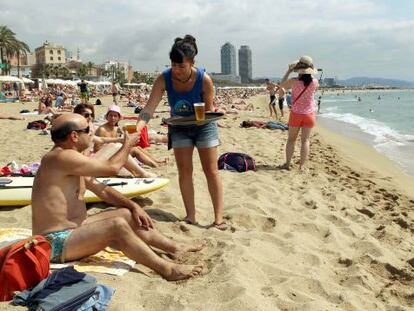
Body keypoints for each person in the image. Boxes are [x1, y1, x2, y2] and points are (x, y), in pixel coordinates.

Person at [31, 113, 204, 281]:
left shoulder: (70, 159)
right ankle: (167, 269)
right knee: (116, 225)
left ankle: (175, 248)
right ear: (74, 136)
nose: (92, 132)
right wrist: (127, 144)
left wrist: (133, 206)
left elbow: (102, 190)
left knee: (126, 214)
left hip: (74, 229)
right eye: (87, 129)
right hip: (53, 244)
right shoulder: (60, 157)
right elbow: (112, 168)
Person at [135, 35, 226, 230]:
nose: (176, 70)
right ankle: (190, 216)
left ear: (192, 63)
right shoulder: (164, 78)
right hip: (178, 126)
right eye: (173, 65)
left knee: (211, 170)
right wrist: (139, 126)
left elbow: (207, 111)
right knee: (185, 172)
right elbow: (150, 106)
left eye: (181, 66)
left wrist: (204, 115)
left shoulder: (205, 80)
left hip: (204, 127)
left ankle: (218, 219)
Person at [73, 104, 156, 178]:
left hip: (88, 161)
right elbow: (97, 147)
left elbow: (100, 139)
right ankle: (141, 173)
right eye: (86, 115)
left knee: (122, 147)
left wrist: (121, 140)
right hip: (84, 167)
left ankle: (150, 166)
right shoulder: (75, 132)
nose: (90, 118)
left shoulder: (85, 130)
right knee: (118, 147)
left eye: (91, 115)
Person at [278, 55, 319, 171]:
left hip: (296, 114)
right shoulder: (315, 82)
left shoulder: (294, 81)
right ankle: (302, 166)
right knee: (305, 141)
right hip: (309, 114)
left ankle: (287, 164)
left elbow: (281, 86)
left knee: (291, 140)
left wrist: (289, 71)